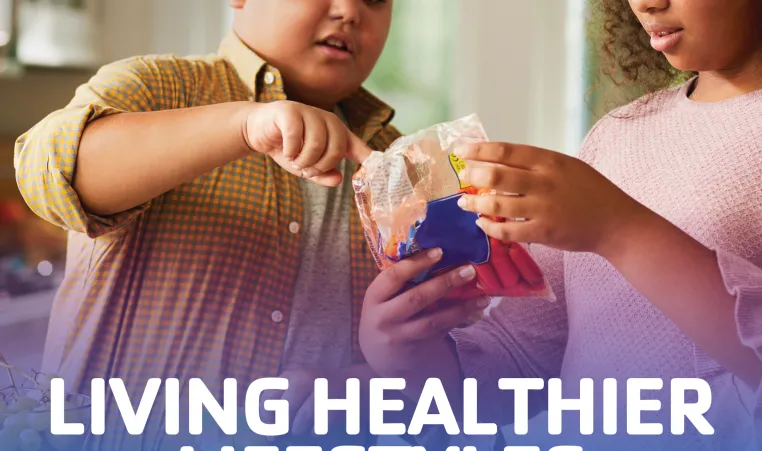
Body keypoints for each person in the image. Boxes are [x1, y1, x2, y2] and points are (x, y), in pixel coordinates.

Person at [358, 0, 762, 449]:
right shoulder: (620, 133)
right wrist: (410, 355)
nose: (647, 3)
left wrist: (619, 231)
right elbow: (520, 364)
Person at [13, 0, 398, 448]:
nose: (350, 10)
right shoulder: (156, 89)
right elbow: (51, 175)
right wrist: (245, 127)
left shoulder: (397, 161)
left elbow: (430, 350)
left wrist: (361, 389)